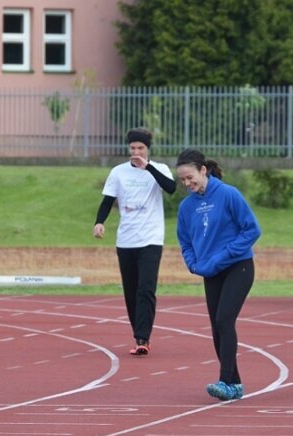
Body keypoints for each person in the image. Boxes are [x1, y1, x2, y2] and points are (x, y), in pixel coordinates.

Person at [175, 149, 261, 401]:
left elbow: (252, 230)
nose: (187, 184)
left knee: (224, 320)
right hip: (209, 272)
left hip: (238, 267)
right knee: (216, 327)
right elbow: (185, 241)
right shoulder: (186, 207)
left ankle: (224, 380)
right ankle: (234, 384)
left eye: (190, 177)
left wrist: (220, 257)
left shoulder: (228, 194)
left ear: (204, 170)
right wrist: (193, 264)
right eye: (182, 180)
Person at [93, 127, 176, 355]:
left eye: (140, 148)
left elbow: (171, 188)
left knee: (146, 289)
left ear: (148, 149)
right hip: (126, 240)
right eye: (132, 148)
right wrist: (99, 222)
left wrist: (147, 167)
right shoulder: (118, 172)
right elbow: (107, 201)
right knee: (131, 291)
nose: (136, 151)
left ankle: (143, 338)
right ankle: (138, 333)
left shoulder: (159, 169)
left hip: (150, 239)